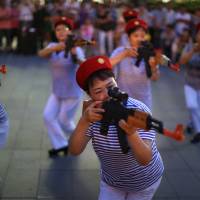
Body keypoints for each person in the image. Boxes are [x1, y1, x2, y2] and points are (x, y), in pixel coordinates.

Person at [69, 55, 164, 200]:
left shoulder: (138, 109)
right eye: (98, 91)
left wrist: (131, 134)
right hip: (112, 182)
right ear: (89, 95)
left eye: (110, 87)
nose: (107, 95)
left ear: (116, 82)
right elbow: (74, 150)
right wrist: (84, 121)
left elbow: (145, 159)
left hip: (145, 182)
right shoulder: (92, 114)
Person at [38, 16, 85, 157]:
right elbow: (41, 53)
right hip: (57, 91)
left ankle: (80, 137)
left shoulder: (76, 47)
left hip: (72, 93)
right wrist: (55, 48)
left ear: (70, 31)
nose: (61, 32)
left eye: (65, 29)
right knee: (48, 116)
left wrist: (74, 54)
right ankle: (61, 144)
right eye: (58, 29)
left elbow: (82, 62)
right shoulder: (52, 46)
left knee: (64, 121)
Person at [110, 18, 160, 109]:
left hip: (143, 101)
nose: (139, 39)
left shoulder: (150, 53)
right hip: (123, 100)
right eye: (136, 36)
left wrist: (153, 67)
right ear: (128, 37)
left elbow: (155, 78)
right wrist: (124, 54)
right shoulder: (120, 51)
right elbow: (107, 65)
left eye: (142, 36)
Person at [179, 25, 200, 144]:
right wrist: (193, 51)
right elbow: (181, 61)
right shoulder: (190, 47)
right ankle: (198, 132)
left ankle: (192, 123)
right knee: (192, 105)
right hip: (190, 82)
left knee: (198, 108)